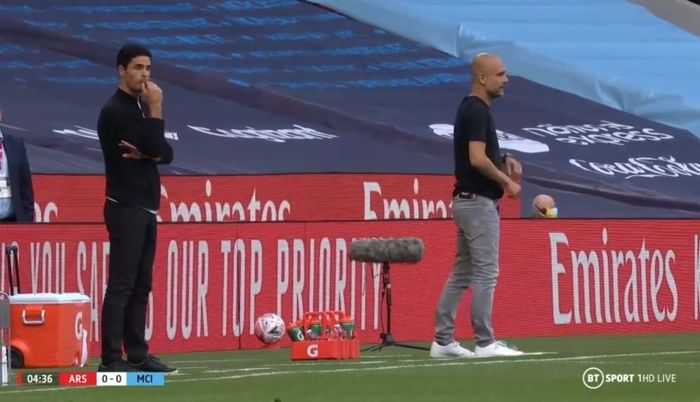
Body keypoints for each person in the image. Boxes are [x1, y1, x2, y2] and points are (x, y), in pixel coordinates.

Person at [431, 53, 525, 358]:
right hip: (477, 203)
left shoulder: (471, 108)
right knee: (487, 272)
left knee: (463, 272)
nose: (506, 79)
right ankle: (485, 342)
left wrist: (505, 157)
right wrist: (507, 182)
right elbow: (476, 158)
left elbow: (480, 151)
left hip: (465, 200)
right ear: (482, 78)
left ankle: (443, 341)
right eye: (500, 74)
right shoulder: (477, 110)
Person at [97, 44, 175, 373]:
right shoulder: (116, 110)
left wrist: (150, 152)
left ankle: (138, 354)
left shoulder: (140, 109)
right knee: (122, 284)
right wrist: (156, 107)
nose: (144, 74)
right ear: (121, 69)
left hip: (145, 207)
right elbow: (156, 145)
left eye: (148, 68)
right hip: (125, 205)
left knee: (142, 284)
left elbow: (166, 153)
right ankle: (111, 359)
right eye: (138, 67)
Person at [0, 106, 35, 223]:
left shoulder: (15, 145)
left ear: (1, 115)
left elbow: (26, 188)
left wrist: (25, 221)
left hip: (13, 223)